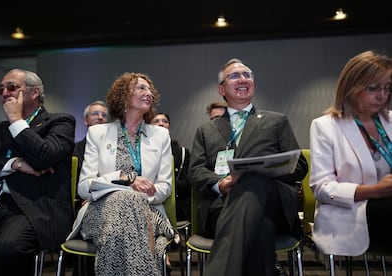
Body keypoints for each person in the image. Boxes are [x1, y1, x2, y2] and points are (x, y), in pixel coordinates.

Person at [188, 58, 308, 275]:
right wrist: (221, 184)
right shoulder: (206, 130)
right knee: (260, 227)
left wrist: (267, 170)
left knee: (253, 179)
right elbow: (195, 171)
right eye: (234, 76)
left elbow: (299, 166)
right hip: (223, 206)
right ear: (221, 89)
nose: (243, 78)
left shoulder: (276, 121)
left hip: (274, 203)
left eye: (247, 75)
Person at [71, 72, 175, 276]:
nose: (149, 93)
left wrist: (135, 197)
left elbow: (165, 186)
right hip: (101, 213)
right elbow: (84, 187)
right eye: (141, 88)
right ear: (123, 96)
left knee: (124, 214)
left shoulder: (161, 136)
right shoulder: (98, 133)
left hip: (149, 211)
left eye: (150, 90)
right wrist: (127, 180)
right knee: (125, 200)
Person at [0, 69, 75, 276]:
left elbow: (43, 157)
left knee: (8, 250)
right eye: (1, 89)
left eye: (12, 87)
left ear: (34, 92)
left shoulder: (59, 123)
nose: (5, 92)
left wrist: (15, 119)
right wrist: (15, 164)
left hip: (31, 208)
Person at [310, 50, 392, 257]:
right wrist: (376, 190)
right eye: (373, 88)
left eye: (387, 88)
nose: (382, 96)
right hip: (353, 214)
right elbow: (322, 188)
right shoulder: (326, 126)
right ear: (351, 88)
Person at [151, 112, 191, 222]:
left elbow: (188, 182)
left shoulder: (183, 152)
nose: (161, 124)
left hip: (179, 207)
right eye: (156, 121)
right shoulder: (144, 152)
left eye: (165, 121)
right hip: (152, 203)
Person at [73, 100, 108, 213]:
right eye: (95, 113)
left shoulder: (116, 148)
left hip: (109, 198)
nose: (100, 117)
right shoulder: (74, 149)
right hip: (82, 200)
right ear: (85, 120)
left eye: (104, 115)